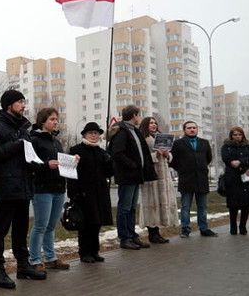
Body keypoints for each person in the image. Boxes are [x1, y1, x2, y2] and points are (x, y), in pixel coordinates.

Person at [0, 89, 46, 289]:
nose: (23, 105)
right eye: (19, 102)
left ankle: (23, 265)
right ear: (9, 105)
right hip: (6, 186)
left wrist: (36, 163)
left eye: (23, 102)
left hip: (24, 185)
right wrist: (16, 145)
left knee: (21, 228)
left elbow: (27, 154)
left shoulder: (23, 129)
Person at [27, 107, 71, 272]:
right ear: (43, 121)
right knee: (40, 225)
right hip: (42, 189)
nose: (55, 122)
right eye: (52, 119)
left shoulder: (56, 141)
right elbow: (30, 163)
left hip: (58, 187)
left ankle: (51, 258)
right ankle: (35, 259)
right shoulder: (34, 140)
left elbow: (60, 162)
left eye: (56, 119)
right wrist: (46, 165)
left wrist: (72, 162)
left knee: (51, 226)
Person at [107, 105, 157, 250]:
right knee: (125, 207)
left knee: (132, 207)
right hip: (127, 175)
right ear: (134, 115)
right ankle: (124, 238)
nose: (139, 118)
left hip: (136, 176)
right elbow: (117, 153)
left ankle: (132, 235)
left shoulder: (134, 130)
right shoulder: (121, 130)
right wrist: (133, 165)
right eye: (139, 115)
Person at [67, 122, 113, 263]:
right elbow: (70, 172)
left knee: (96, 223)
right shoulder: (76, 150)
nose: (94, 135)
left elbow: (109, 173)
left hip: (99, 192)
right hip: (83, 193)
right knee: (85, 224)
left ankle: (94, 251)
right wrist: (73, 194)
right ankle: (85, 252)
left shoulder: (101, 152)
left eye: (96, 133)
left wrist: (109, 161)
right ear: (84, 135)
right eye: (91, 133)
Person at [170, 121, 217, 237]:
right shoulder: (178, 143)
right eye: (189, 128)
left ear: (197, 129)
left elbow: (208, 158)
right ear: (184, 130)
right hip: (186, 179)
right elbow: (172, 161)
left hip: (201, 179)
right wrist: (182, 169)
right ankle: (185, 229)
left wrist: (200, 167)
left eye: (194, 128)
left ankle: (204, 228)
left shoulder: (204, 143)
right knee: (185, 206)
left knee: (202, 206)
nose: (192, 130)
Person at [138, 117, 178, 243]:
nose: (154, 125)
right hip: (152, 174)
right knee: (152, 202)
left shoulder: (161, 137)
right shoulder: (143, 139)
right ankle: (152, 233)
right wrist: (156, 155)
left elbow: (169, 156)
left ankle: (157, 232)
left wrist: (167, 155)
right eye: (151, 123)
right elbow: (142, 157)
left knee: (161, 203)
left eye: (155, 123)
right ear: (145, 125)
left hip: (164, 174)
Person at [220, 126, 249, 235]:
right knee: (233, 204)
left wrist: (241, 163)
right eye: (235, 134)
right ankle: (233, 226)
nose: (237, 136)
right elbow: (226, 158)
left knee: (246, 204)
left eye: (239, 134)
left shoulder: (248, 146)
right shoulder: (226, 146)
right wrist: (234, 163)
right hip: (232, 178)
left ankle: (243, 226)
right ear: (231, 136)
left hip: (246, 178)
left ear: (243, 135)